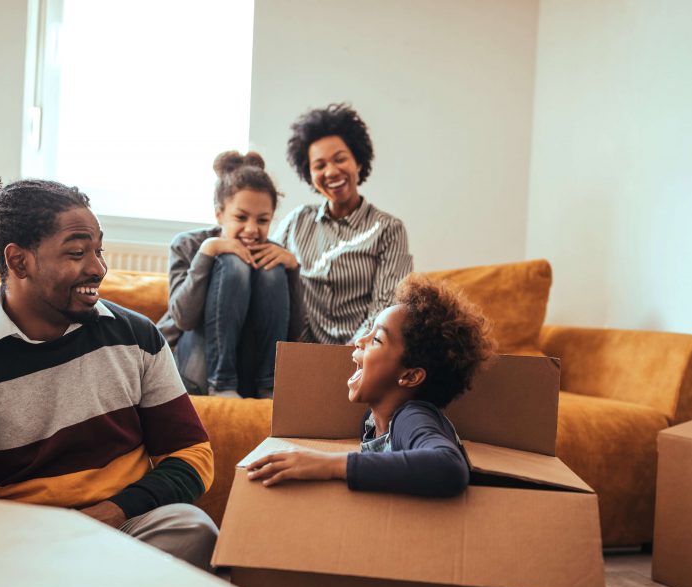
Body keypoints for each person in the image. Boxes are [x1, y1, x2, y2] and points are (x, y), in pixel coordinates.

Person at [0, 179, 218, 570]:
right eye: (77, 253)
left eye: (98, 250)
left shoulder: (138, 337)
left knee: (192, 530)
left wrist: (109, 514)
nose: (98, 268)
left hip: (125, 529)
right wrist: (50, 542)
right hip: (19, 550)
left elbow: (192, 456)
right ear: (19, 261)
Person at [246, 275, 496, 496]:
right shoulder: (372, 421)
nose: (359, 341)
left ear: (409, 376)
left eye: (376, 338)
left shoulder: (412, 417)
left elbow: (449, 467)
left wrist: (329, 464)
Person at [158, 151, 302, 399]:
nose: (251, 229)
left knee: (271, 270)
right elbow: (183, 318)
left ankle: (269, 386)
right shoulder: (189, 244)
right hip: (199, 367)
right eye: (240, 217)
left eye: (263, 220)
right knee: (233, 264)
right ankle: (221, 384)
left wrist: (292, 269)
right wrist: (208, 252)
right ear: (219, 213)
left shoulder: (275, 255)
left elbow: (295, 333)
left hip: (251, 372)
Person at [272, 103, 414, 345]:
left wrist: (347, 356)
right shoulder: (296, 222)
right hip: (300, 353)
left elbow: (386, 307)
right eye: (320, 165)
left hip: (363, 356)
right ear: (309, 174)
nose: (331, 171)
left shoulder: (389, 229)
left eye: (340, 159)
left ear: (358, 162)